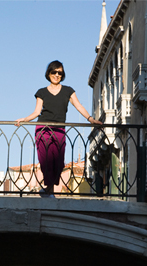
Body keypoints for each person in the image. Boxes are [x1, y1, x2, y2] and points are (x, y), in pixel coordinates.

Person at [16, 60, 102, 197]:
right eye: (54, 72)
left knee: (59, 162)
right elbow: (37, 112)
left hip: (58, 130)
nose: (57, 75)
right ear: (48, 73)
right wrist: (24, 119)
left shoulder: (68, 91)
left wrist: (91, 119)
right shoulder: (41, 92)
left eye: (60, 73)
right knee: (45, 161)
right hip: (42, 129)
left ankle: (47, 190)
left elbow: (79, 106)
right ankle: (49, 190)